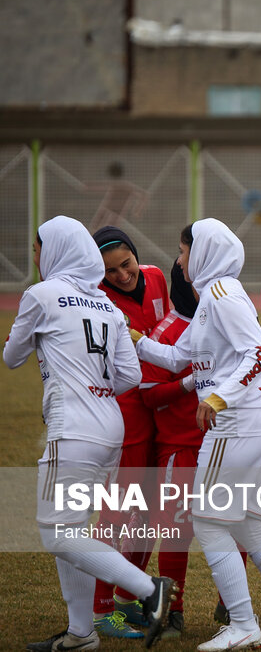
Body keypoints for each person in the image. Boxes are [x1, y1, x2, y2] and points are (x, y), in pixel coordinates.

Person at [133, 219, 261, 651]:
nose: (179, 263)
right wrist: (136, 340)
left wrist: (219, 398)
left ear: (202, 252)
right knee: (248, 524)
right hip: (251, 422)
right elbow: (181, 356)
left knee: (208, 521)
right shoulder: (211, 299)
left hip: (237, 425)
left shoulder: (220, 293)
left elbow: (259, 352)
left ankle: (243, 624)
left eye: (183, 252)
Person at [4, 216, 176, 651]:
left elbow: (11, 357)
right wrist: (96, 388)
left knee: (57, 532)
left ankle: (148, 590)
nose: (37, 257)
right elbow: (129, 375)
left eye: (39, 248)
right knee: (75, 528)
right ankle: (81, 633)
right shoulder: (107, 304)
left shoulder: (40, 295)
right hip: (111, 426)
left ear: (57, 249)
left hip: (73, 427)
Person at [91, 226, 171, 638]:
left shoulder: (157, 276)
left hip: (164, 412)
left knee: (153, 513)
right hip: (127, 419)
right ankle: (101, 609)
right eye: (111, 271)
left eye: (127, 264)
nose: (123, 275)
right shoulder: (97, 300)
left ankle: (125, 599)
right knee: (117, 514)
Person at [137, 260, 201, 640]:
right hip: (181, 448)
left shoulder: (222, 315)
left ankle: (230, 605)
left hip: (222, 444)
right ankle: (172, 611)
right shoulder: (167, 332)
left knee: (238, 522)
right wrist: (190, 383)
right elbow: (148, 395)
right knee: (178, 532)